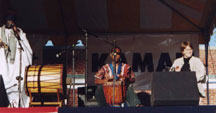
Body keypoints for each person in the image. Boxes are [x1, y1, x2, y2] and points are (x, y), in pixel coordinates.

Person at [0, 11, 33, 107]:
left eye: (12, 20)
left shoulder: (19, 32)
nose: (10, 22)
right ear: (5, 21)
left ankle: (16, 103)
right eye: (8, 20)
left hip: (14, 64)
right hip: (3, 63)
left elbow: (27, 49)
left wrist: (18, 34)